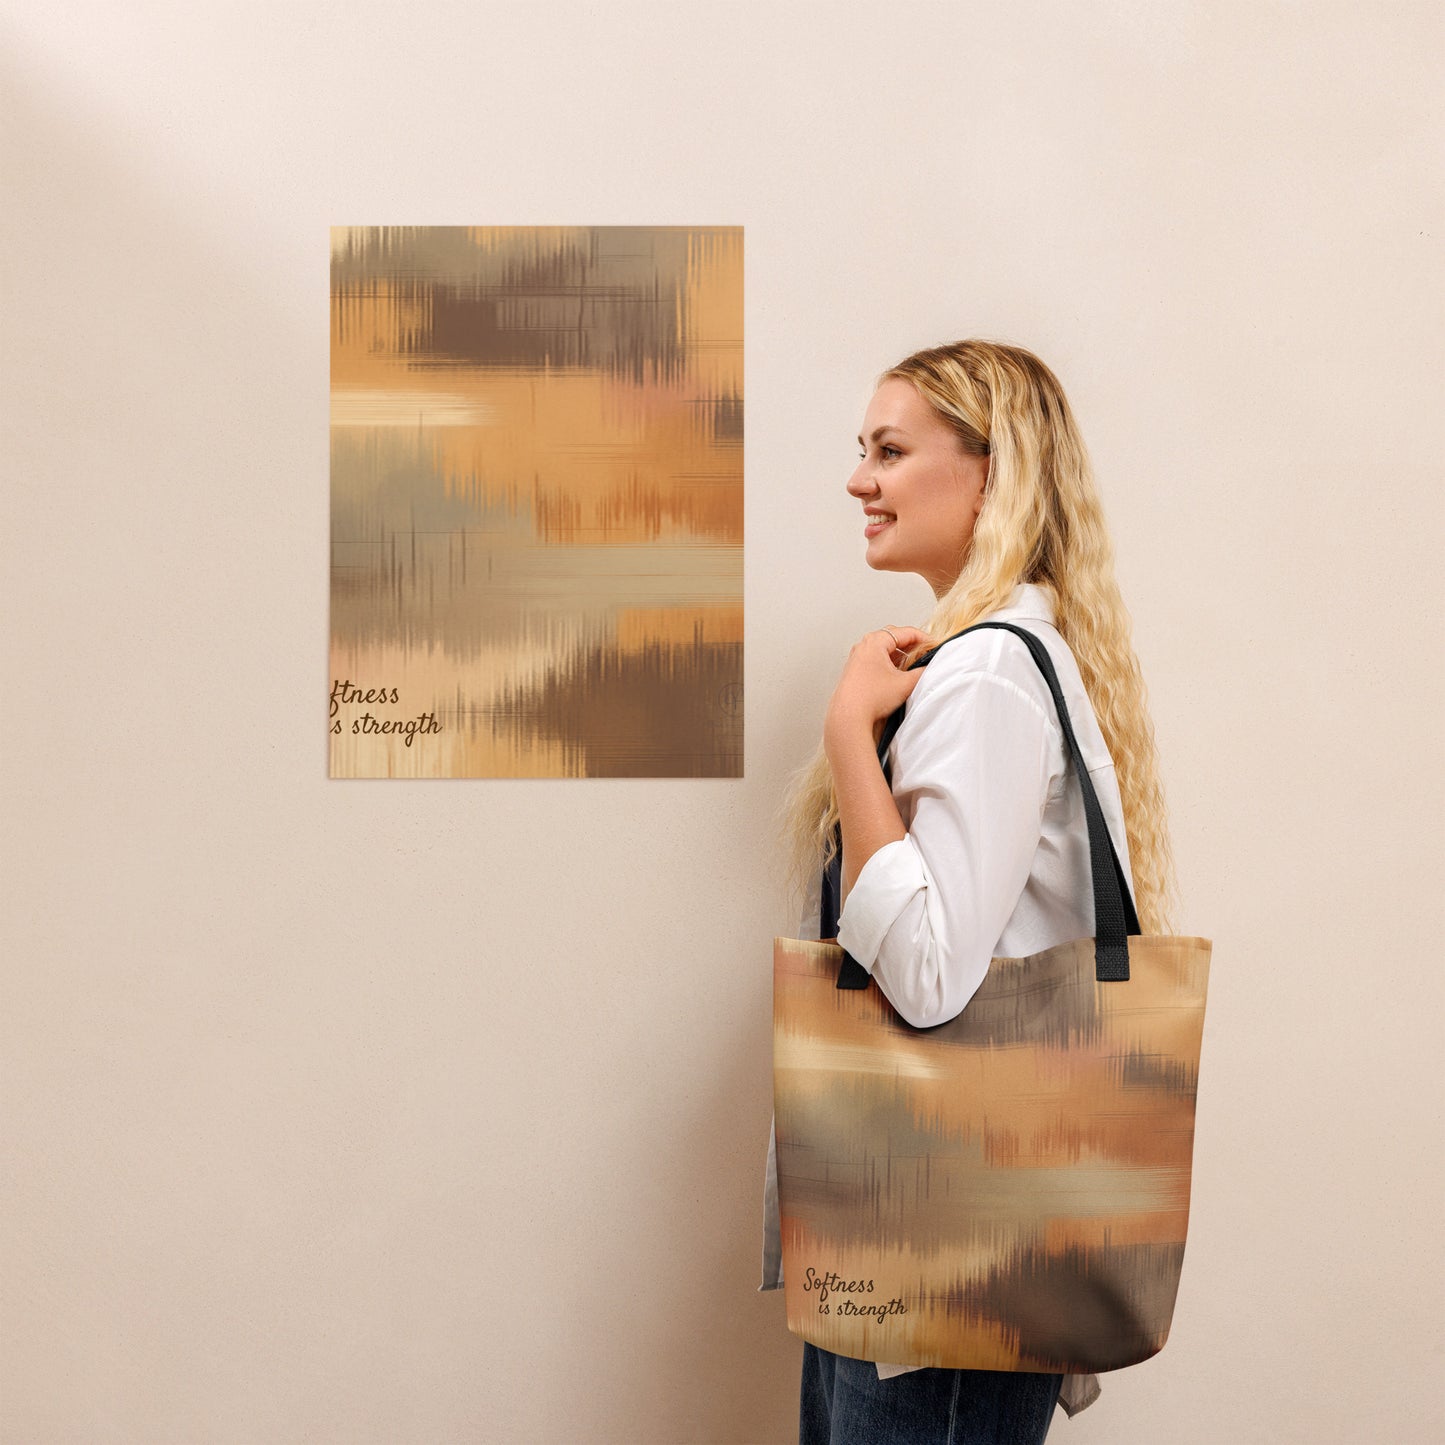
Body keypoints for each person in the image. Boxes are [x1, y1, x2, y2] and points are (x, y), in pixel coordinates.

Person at [760, 339, 1182, 1444]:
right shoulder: (991, 655)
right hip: (931, 1246)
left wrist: (849, 732)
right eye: (861, 451)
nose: (858, 478)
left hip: (944, 1273)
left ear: (991, 473)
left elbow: (931, 977)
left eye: (889, 450)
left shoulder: (987, 669)